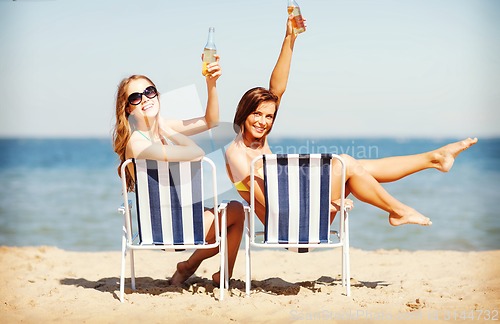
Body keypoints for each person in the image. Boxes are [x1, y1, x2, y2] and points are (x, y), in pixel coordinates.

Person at [225, 15, 478, 227]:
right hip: (293, 227)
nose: (263, 122)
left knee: (356, 166)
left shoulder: (257, 139)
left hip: (304, 213)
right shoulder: (237, 154)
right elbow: (272, 205)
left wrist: (290, 38)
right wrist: (327, 201)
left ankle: (433, 160)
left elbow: (276, 89)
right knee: (344, 162)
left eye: (269, 116)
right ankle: (400, 208)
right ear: (244, 112)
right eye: (256, 114)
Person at [113, 56, 244, 286]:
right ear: (128, 109)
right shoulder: (138, 143)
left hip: (175, 219)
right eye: (136, 97)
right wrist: (168, 129)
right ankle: (204, 270)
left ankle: (187, 267)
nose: (145, 99)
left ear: (157, 95)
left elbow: (210, 121)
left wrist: (211, 83)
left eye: (149, 92)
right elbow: (196, 153)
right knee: (235, 212)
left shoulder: (157, 131)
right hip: (169, 227)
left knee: (228, 215)